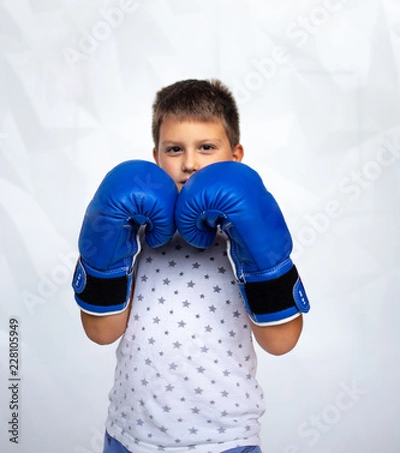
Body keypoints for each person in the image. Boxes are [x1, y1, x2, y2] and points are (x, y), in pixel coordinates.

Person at [72, 78, 310, 453]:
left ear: (235, 155)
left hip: (227, 441)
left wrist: (258, 252)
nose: (189, 163)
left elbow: (281, 342)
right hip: (131, 438)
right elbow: (101, 333)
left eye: (206, 147)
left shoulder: (241, 238)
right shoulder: (135, 234)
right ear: (155, 158)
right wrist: (105, 251)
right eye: (174, 149)